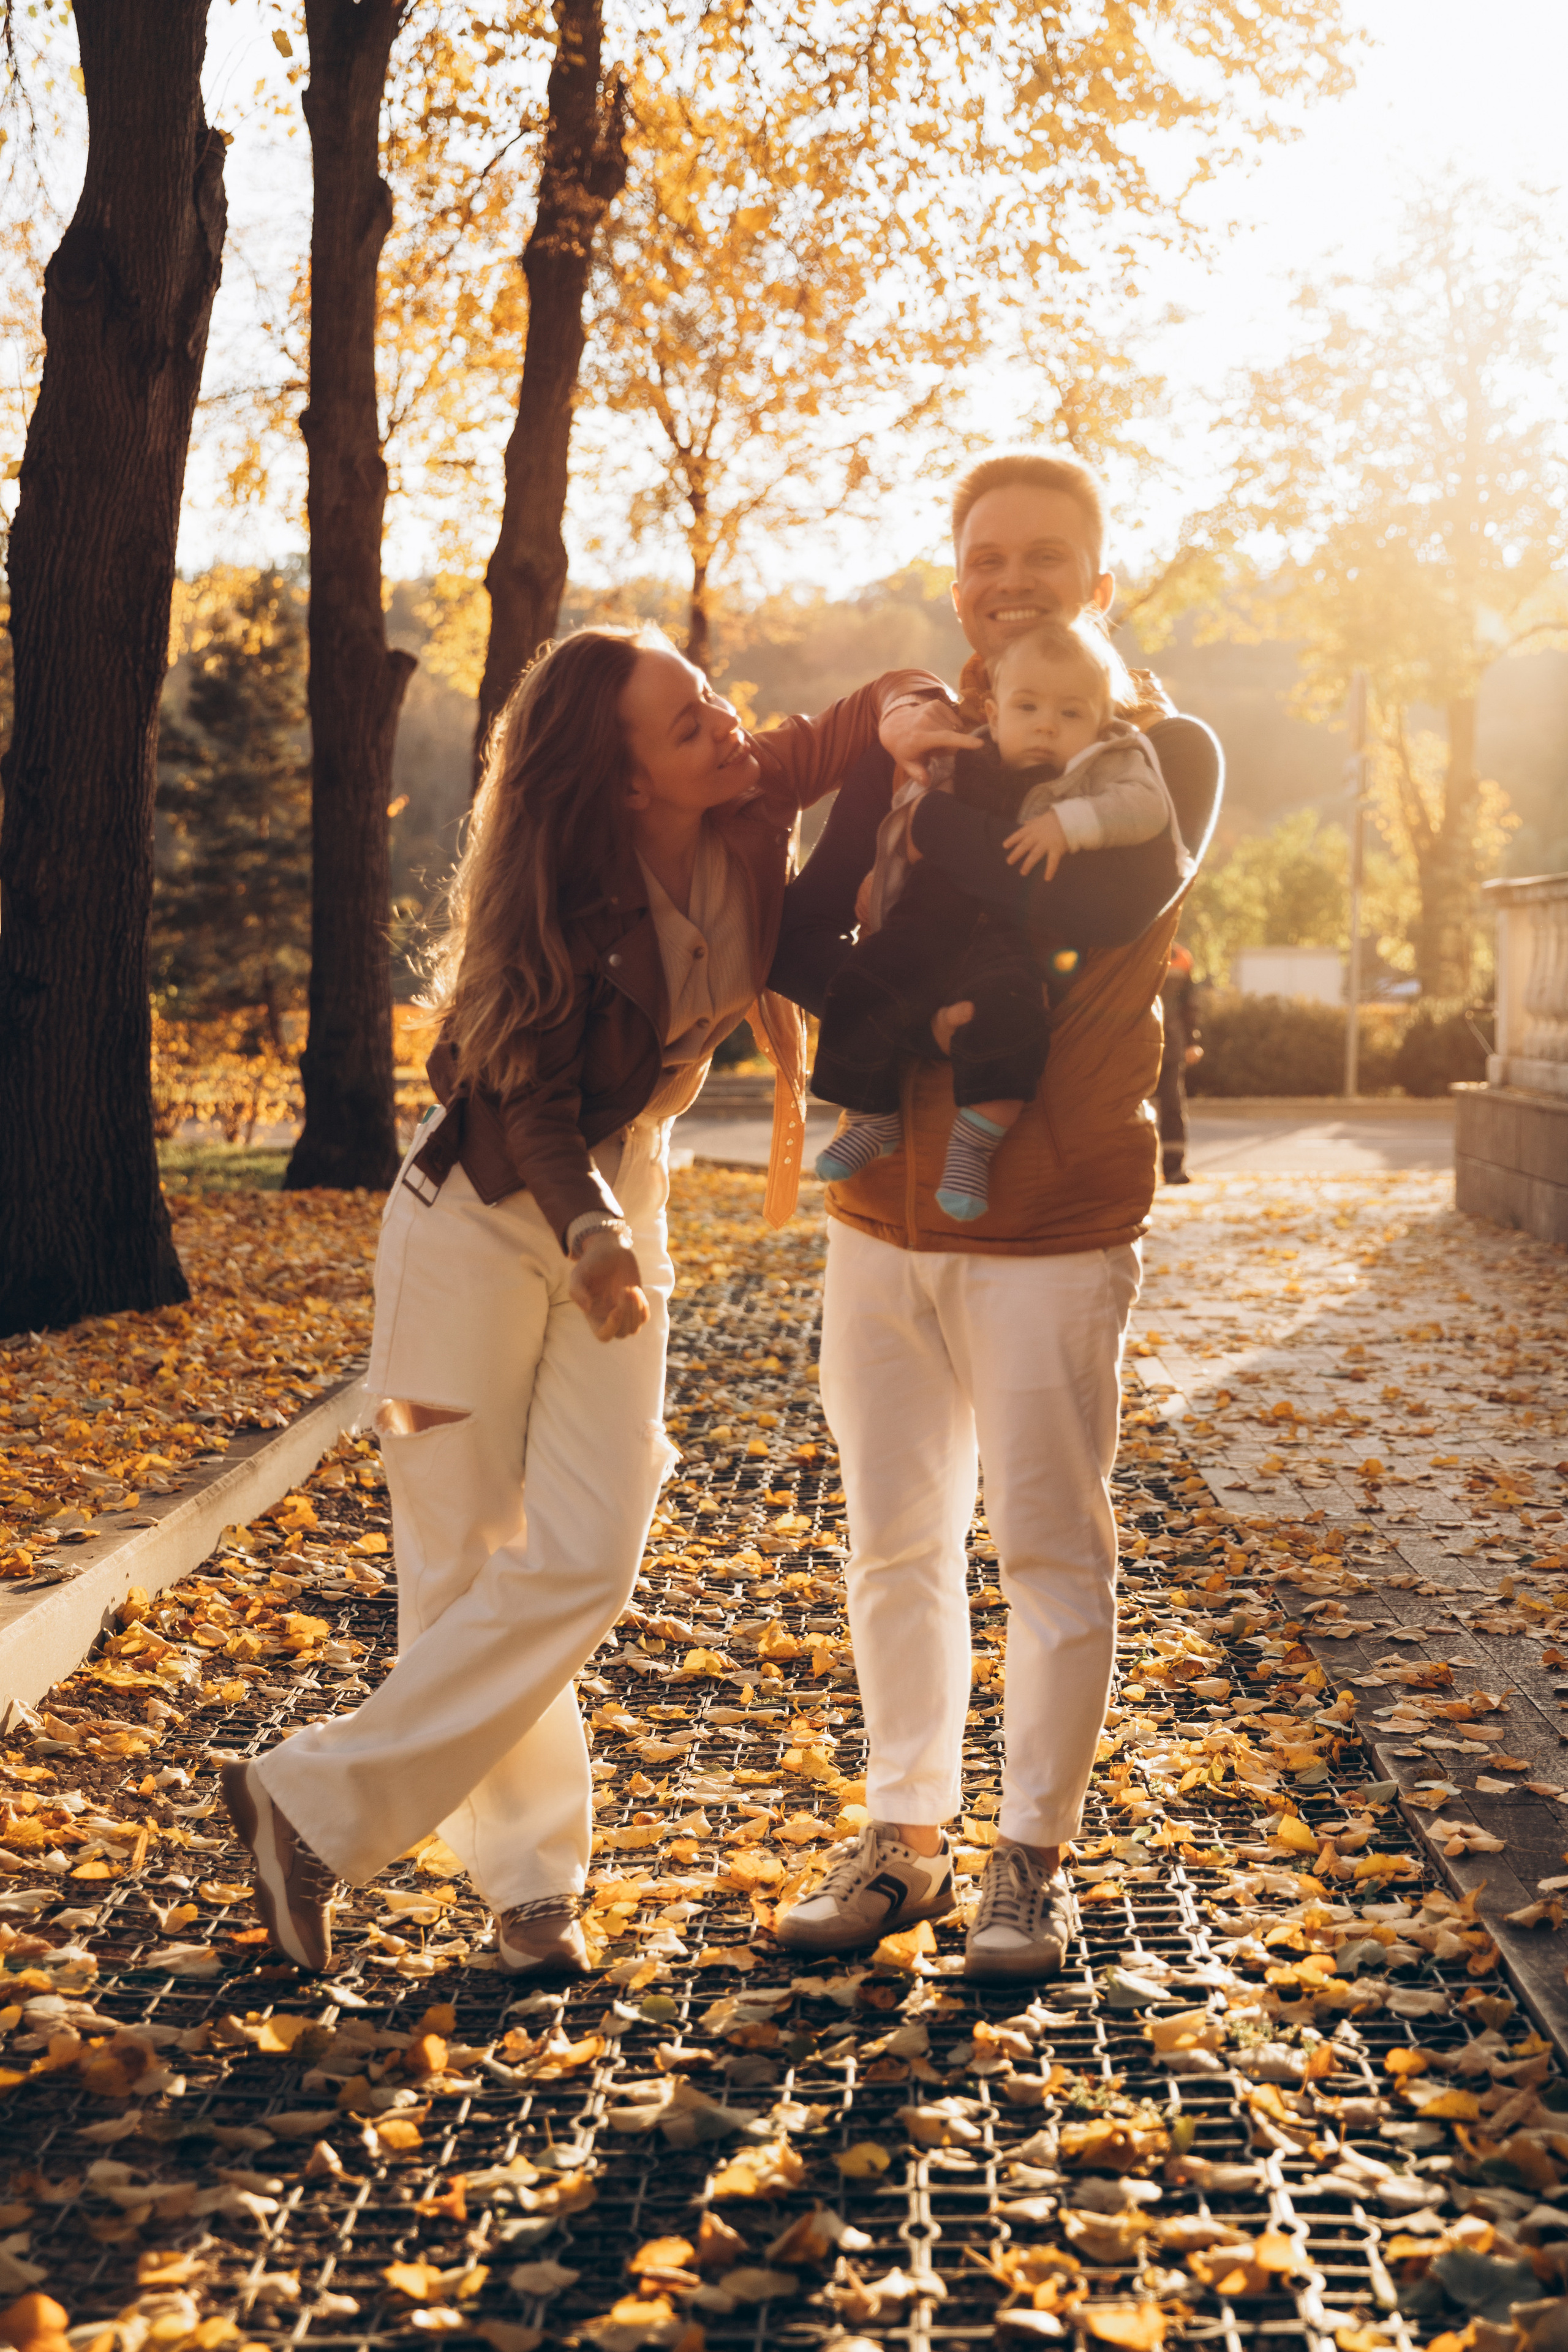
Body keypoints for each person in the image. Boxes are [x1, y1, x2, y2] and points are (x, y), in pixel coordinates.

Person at [218, 624, 962, 1978]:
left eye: (712, 698)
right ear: (624, 783)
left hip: (626, 1195)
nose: (726, 725)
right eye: (687, 724)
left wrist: (912, 710)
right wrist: (589, 1232)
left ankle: (306, 1802)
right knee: (462, 1556)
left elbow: (855, 714)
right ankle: (529, 1891)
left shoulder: (744, 799)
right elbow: (526, 1101)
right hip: (480, 1217)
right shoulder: (553, 900)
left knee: (591, 1550)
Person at [768, 451, 1223, 1983]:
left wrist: (916, 776)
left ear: (1098, 583)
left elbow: (1075, 908)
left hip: (1047, 1220)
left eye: (1043, 557)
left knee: (1046, 1551)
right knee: (892, 1546)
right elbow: (800, 930)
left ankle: (1028, 1861)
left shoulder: (1161, 752)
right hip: (879, 1220)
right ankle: (901, 1837)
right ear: (955, 582)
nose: (1010, 581)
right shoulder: (914, 741)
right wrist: (890, 764)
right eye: (984, 558)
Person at [811, 613, 1190, 1222]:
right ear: (993, 712)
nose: (1046, 725)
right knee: (864, 980)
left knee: (1010, 1014)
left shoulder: (1106, 764)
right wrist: (894, 858)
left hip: (1013, 934)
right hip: (930, 920)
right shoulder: (959, 754)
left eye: (1071, 713)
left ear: (1101, 723)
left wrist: (1070, 823)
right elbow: (908, 818)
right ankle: (872, 1115)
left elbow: (1145, 807)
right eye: (1027, 707)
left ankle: (973, 1146)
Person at [1155, 943, 1202, 1183]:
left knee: (1173, 1107)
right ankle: (1126, 1172)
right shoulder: (1135, 947)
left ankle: (1173, 1169)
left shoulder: (1182, 959)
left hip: (1171, 1047)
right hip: (1136, 1047)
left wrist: (1192, 1041)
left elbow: (1189, 1004)